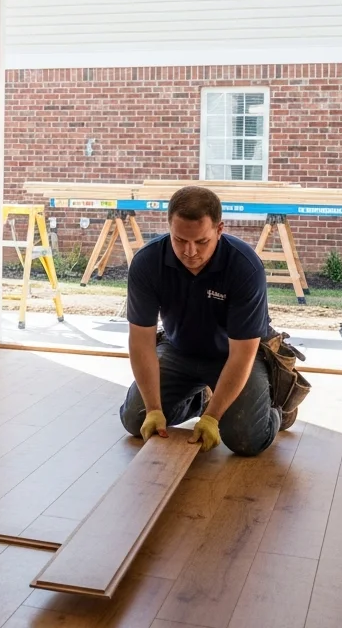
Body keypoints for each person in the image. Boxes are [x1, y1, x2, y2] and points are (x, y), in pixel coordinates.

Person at [119, 185, 288, 456]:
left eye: (201, 242)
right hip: (179, 350)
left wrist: (213, 419)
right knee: (136, 420)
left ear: (219, 230)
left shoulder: (245, 267)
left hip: (232, 356)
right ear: (169, 228)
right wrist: (153, 409)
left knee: (245, 439)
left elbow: (243, 354)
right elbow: (141, 342)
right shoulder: (147, 263)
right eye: (179, 240)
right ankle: (200, 398)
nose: (190, 252)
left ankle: (277, 409)